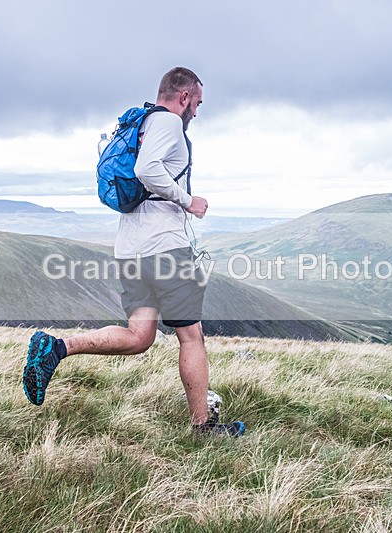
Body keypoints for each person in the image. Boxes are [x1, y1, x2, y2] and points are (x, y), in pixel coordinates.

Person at [22, 67, 245, 437]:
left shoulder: (140, 125)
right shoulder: (169, 123)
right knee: (191, 336)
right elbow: (146, 170)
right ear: (184, 98)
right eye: (198, 104)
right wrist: (188, 201)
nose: (197, 113)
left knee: (139, 336)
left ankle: (56, 348)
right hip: (165, 249)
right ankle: (203, 427)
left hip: (131, 250)